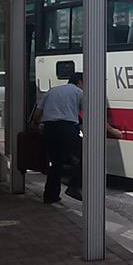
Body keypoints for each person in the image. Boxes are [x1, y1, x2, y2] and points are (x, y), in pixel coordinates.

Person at [31, 73, 85, 203]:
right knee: (84, 155)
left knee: (56, 163)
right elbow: (89, 112)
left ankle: (50, 195)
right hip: (67, 128)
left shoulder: (52, 91)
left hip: (50, 129)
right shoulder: (79, 92)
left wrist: (35, 125)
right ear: (80, 82)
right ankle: (74, 186)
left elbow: (38, 113)